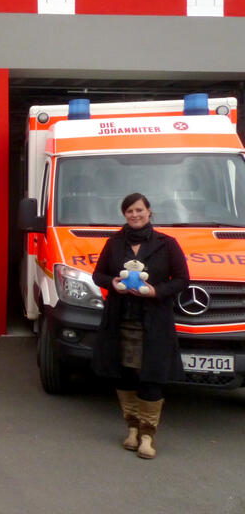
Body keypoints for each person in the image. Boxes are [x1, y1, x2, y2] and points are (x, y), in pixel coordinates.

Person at [92, 193, 188, 459]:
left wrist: (154, 291)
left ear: (149, 211)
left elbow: (181, 280)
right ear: (124, 215)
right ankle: (132, 430)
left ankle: (148, 436)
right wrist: (111, 283)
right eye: (129, 211)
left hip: (154, 322)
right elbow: (98, 274)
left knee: (151, 376)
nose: (134, 215)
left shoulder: (166, 244)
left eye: (138, 210)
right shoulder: (114, 243)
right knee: (124, 375)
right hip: (120, 319)